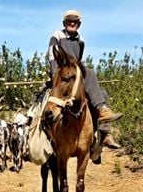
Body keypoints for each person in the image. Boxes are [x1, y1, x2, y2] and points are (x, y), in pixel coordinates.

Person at [47, 9, 122, 151]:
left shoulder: (81, 41)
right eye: (69, 20)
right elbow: (53, 58)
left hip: (74, 77)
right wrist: (59, 77)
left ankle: (104, 133)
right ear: (64, 23)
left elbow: (78, 61)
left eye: (75, 21)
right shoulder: (57, 35)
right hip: (61, 76)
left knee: (103, 94)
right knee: (90, 73)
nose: (72, 23)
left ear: (79, 24)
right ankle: (39, 138)